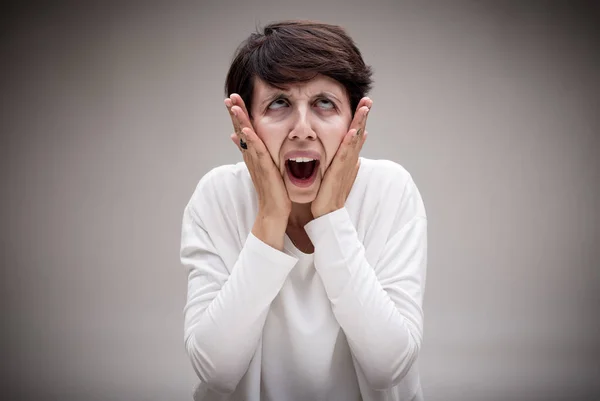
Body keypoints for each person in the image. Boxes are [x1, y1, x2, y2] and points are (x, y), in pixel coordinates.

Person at [180, 20, 427, 401]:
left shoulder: (390, 191)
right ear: (245, 122)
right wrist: (269, 219)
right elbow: (217, 372)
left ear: (355, 122)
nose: (302, 129)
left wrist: (329, 217)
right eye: (278, 103)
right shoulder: (218, 196)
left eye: (323, 103)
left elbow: (388, 367)